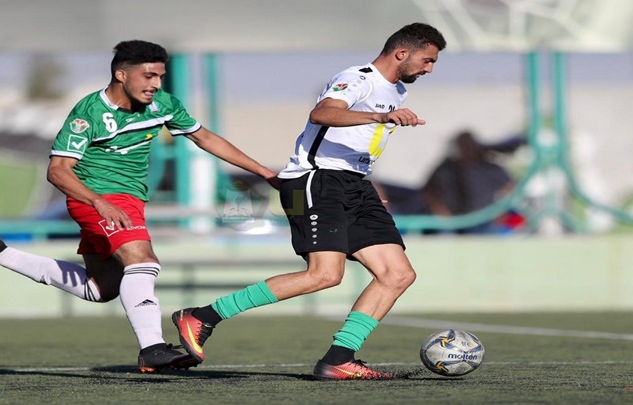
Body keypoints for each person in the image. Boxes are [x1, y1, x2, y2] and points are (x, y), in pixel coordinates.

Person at [0, 40, 279, 373]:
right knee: (142, 261)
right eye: (149, 76)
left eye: (160, 76)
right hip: (95, 198)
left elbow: (204, 137)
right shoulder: (89, 113)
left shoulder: (164, 104)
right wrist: (99, 202)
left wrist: (263, 172)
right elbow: (58, 171)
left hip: (129, 200)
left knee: (100, 289)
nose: (156, 84)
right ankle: (153, 348)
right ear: (121, 74)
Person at [172, 23, 446, 380]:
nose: (429, 69)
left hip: (352, 185)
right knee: (324, 275)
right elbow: (323, 113)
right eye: (427, 60)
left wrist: (362, 184)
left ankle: (339, 359)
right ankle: (202, 316)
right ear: (402, 53)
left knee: (397, 274)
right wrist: (380, 116)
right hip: (315, 181)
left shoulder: (397, 91)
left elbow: (360, 142)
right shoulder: (358, 79)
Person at [423, 130, 515, 233]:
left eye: (469, 145)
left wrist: (501, 212)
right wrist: (439, 210)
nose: (467, 148)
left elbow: (511, 190)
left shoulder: (491, 169)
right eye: (463, 145)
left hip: (486, 221)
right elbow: (429, 190)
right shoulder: (445, 169)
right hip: (451, 222)